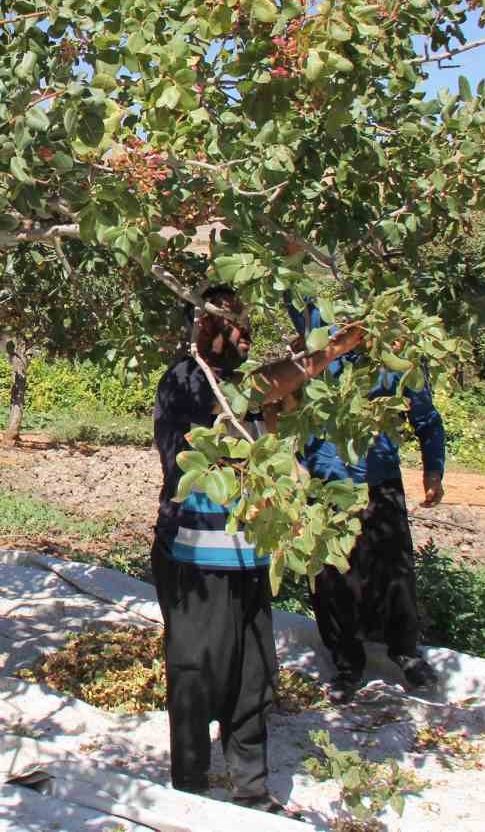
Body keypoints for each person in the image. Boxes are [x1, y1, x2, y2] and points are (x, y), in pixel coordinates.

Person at [151, 285, 363, 811]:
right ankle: (192, 792)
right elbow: (260, 389)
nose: (245, 334)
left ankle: (251, 791)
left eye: (246, 323)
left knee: (253, 677)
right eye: (235, 324)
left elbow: (278, 432)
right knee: (195, 676)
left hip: (249, 558)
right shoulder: (185, 379)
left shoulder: (243, 387)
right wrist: (325, 354)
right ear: (205, 327)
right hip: (194, 561)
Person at [288, 302, 446, 702]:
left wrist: (433, 470)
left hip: (379, 481)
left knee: (394, 573)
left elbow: (426, 417)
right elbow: (296, 294)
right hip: (325, 483)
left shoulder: (398, 359)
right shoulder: (325, 344)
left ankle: (406, 653)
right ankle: (346, 662)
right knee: (331, 578)